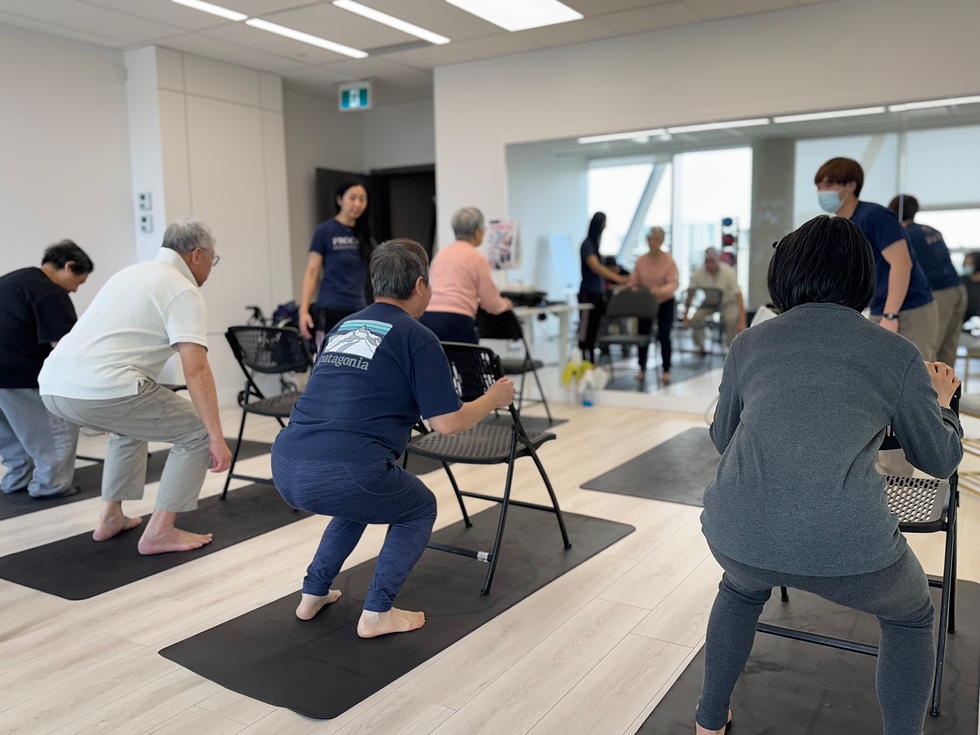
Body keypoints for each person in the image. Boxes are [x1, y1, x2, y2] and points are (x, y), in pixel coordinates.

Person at [695, 215, 963, 735]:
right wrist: (945, 404)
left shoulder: (749, 344)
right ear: (864, 278)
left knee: (740, 587)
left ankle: (709, 722)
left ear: (784, 273)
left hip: (737, 533)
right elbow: (939, 460)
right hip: (850, 549)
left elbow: (723, 439)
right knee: (911, 617)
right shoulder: (897, 355)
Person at [271, 239, 516, 637]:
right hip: (346, 469)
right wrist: (492, 398)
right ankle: (377, 612)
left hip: (285, 464)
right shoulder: (418, 337)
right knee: (419, 507)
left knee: (358, 502)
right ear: (420, 286)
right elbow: (448, 424)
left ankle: (314, 591)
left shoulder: (345, 326)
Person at [39, 220, 231, 555]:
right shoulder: (183, 289)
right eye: (212, 261)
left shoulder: (129, 274)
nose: (210, 269)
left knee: (128, 426)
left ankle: (111, 516)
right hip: (103, 388)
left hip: (53, 386)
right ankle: (160, 531)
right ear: (197, 255)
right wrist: (216, 436)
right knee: (197, 431)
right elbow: (196, 369)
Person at [816, 158, 938, 359]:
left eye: (828, 185)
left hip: (909, 308)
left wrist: (891, 314)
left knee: (919, 372)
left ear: (851, 186)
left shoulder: (875, 216)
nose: (821, 191)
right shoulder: (842, 225)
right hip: (880, 307)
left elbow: (901, 263)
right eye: (819, 186)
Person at [0, 240, 93, 499]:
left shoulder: (13, 280)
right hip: (20, 373)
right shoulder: (50, 292)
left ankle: (17, 480)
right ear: (68, 266)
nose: (75, 289)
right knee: (55, 430)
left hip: (4, 373)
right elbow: (64, 348)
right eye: (79, 281)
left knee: (11, 435)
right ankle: (51, 485)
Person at [888, 195, 967, 367]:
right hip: (958, 289)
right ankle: (947, 391)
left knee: (931, 349)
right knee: (948, 349)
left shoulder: (904, 235)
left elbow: (901, 267)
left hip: (939, 292)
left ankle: (932, 393)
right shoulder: (931, 230)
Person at [298, 180, 376, 349]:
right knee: (327, 358)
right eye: (352, 198)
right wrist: (303, 311)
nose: (357, 204)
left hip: (359, 308)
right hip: (331, 306)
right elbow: (312, 272)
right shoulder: (324, 231)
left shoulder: (365, 235)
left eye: (362, 199)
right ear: (340, 199)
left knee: (356, 359)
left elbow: (379, 269)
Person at [420, 206, 513, 343]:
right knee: (469, 363)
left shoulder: (441, 254)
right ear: (477, 232)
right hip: (457, 322)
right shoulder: (477, 258)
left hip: (427, 319)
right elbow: (491, 303)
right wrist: (506, 304)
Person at [626, 227, 678, 383]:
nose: (652, 242)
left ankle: (666, 369)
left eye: (656, 239)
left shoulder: (669, 260)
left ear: (661, 241)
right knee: (643, 335)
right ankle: (641, 367)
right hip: (646, 302)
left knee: (664, 335)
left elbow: (673, 283)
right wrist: (634, 289)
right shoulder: (641, 260)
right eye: (650, 238)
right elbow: (635, 281)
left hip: (665, 301)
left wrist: (660, 290)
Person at [578, 212, 627, 363]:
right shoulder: (587, 244)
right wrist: (617, 278)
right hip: (588, 294)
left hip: (598, 293)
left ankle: (592, 361)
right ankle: (585, 360)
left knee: (595, 329)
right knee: (586, 330)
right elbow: (596, 267)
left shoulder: (594, 245)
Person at [682, 247, 745, 355]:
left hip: (727, 301)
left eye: (712, 261)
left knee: (730, 319)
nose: (709, 264)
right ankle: (700, 348)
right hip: (710, 302)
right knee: (696, 318)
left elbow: (738, 295)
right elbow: (690, 294)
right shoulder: (699, 273)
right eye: (707, 261)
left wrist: (742, 321)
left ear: (718, 260)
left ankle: (732, 349)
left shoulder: (727, 272)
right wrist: (686, 316)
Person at [963, 251, 980, 321]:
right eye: (966, 264)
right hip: (965, 320)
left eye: (970, 264)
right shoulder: (962, 281)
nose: (968, 266)